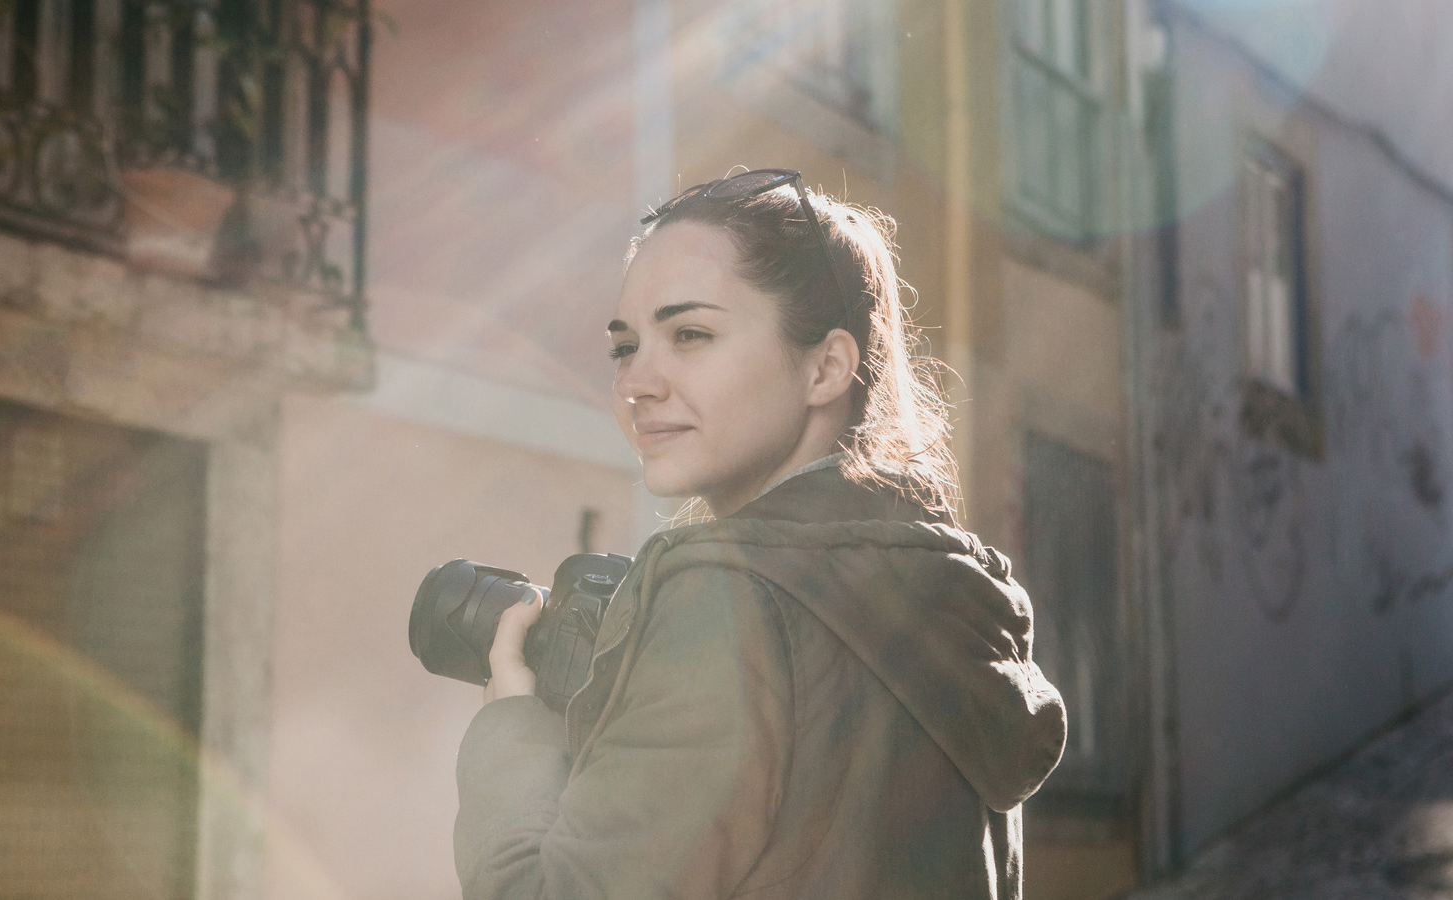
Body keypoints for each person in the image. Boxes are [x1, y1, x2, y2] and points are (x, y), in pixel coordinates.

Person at [453, 169, 1066, 900]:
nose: (635, 383)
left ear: (826, 367)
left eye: (691, 335)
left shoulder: (728, 601)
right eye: (626, 346)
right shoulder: (951, 603)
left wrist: (514, 725)